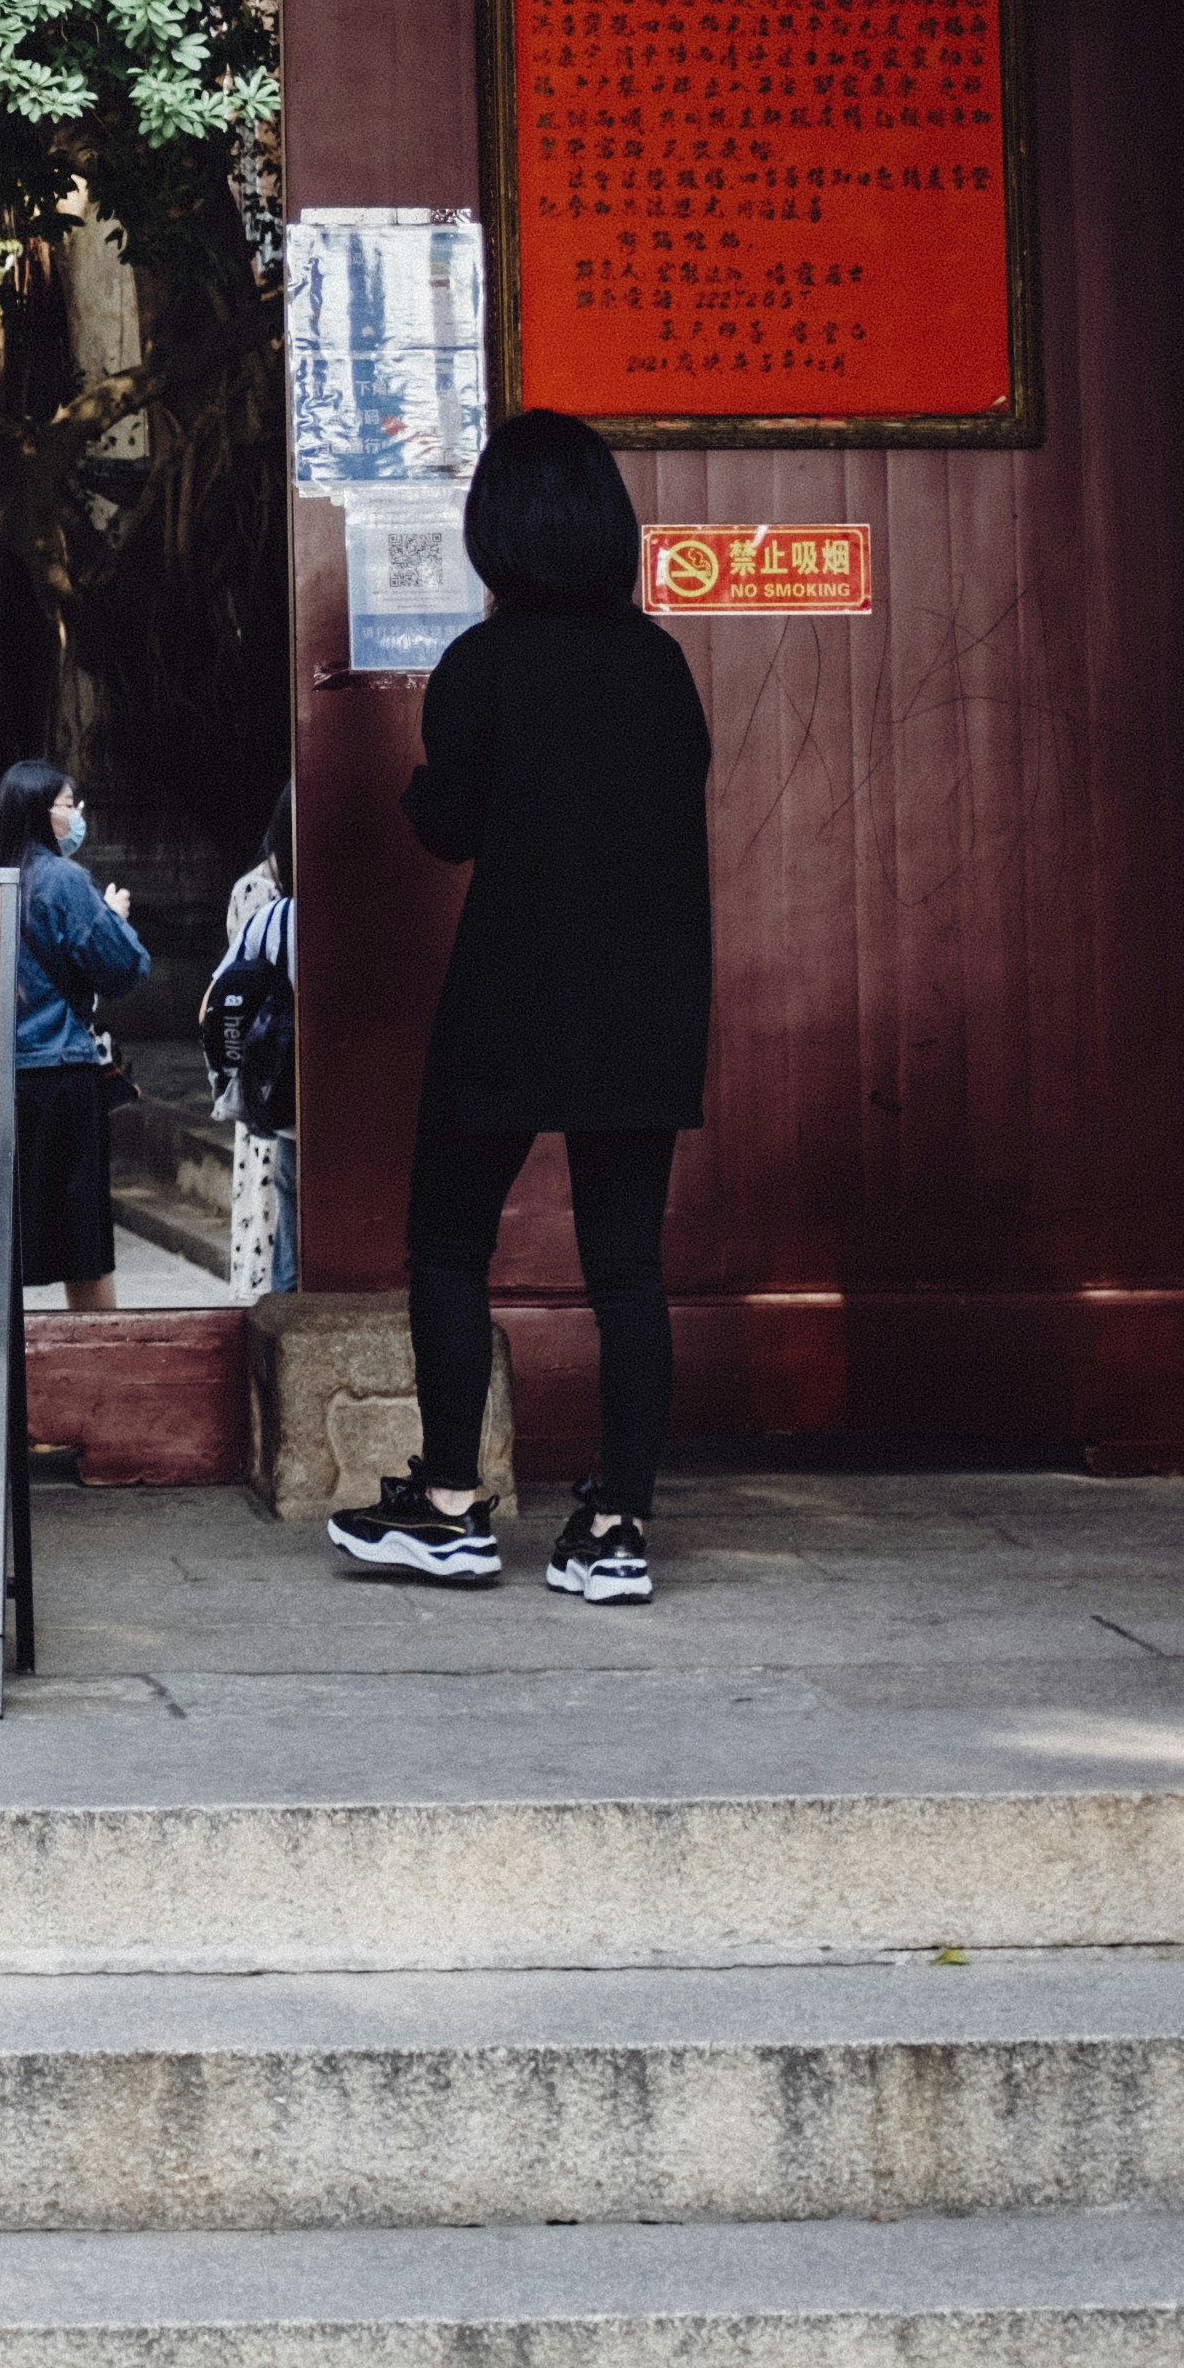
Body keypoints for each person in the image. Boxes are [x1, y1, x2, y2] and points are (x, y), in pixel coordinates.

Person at [328, 407, 712, 1610]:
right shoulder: (658, 664)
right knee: (627, 1270)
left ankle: (449, 1508)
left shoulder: (481, 666)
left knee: (449, 1243)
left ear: (496, 530)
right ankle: (617, 1525)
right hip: (646, 997)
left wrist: (416, 788)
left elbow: (451, 830)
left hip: (511, 989)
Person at [0, 757, 150, 1314]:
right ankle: (98, 1352)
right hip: (60, 1078)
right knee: (83, 1245)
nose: (77, 817)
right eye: (70, 805)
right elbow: (123, 968)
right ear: (40, 811)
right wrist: (112, 917)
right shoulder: (64, 880)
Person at [203, 784, 300, 1299]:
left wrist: (235, 1081)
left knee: (290, 1235)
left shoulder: (273, 919)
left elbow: (217, 1007)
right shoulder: (373, 914)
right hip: (338, 1110)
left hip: (283, 1108)